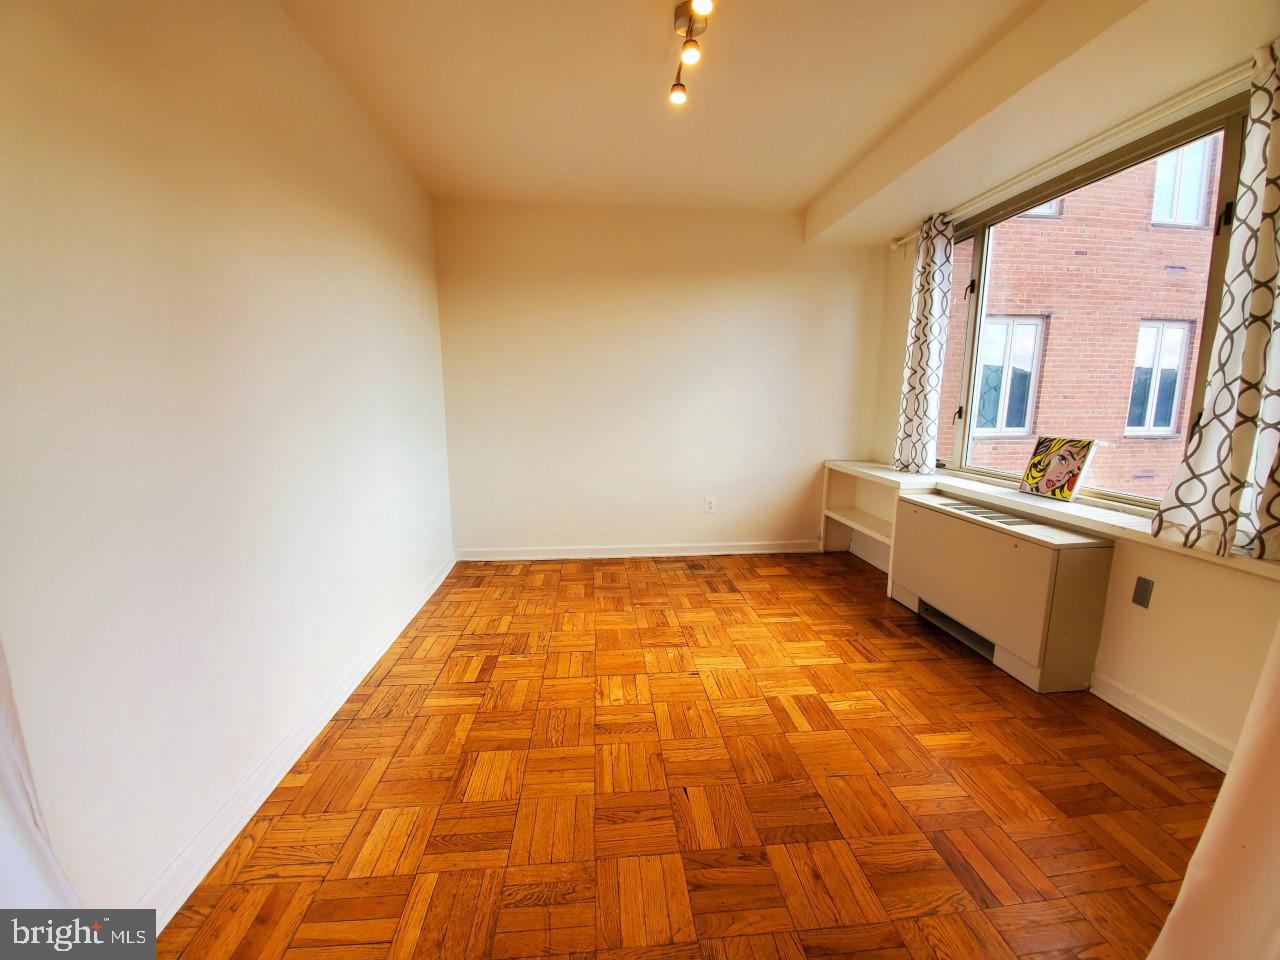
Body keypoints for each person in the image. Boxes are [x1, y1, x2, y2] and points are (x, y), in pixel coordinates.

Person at [1019, 436, 1093, 500]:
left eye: (1070, 472)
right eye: (1062, 460)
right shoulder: (1025, 486)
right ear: (1048, 451)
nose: (1061, 476)